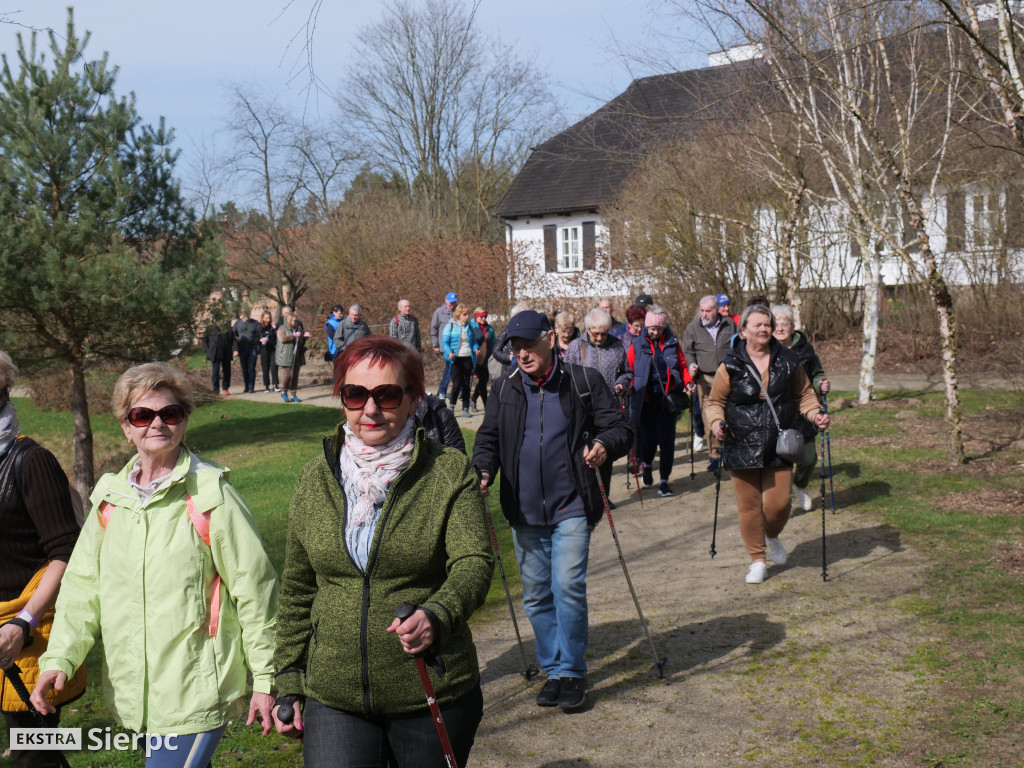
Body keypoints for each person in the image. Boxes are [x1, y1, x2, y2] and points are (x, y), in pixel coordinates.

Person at [32, 362, 279, 764]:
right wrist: (60, 658)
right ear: (126, 427)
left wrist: (267, 678)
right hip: (136, 701)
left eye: (170, 413)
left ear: (184, 421)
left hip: (196, 694)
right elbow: (81, 591)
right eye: (142, 415)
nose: (157, 423)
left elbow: (257, 591)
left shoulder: (211, 495)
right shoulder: (111, 500)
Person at [271, 336, 492, 768]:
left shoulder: (447, 471)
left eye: (387, 395)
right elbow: (298, 588)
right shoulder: (315, 479)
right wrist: (290, 679)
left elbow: (474, 563)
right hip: (334, 694)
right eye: (355, 394)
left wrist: (437, 614)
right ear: (342, 401)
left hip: (429, 689)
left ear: (412, 400)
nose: (370, 409)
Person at [471, 310, 633, 711]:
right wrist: (484, 468)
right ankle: (554, 668)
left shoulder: (583, 381)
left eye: (528, 345)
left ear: (549, 340)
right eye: (515, 347)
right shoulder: (504, 388)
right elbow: (488, 438)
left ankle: (572, 671)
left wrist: (604, 446)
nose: (522, 354)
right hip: (523, 510)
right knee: (538, 595)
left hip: (572, 504)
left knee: (568, 588)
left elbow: (620, 428)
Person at [1, 351, 85, 768]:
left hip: (26, 633)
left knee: (36, 756)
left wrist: (23, 623)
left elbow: (66, 552)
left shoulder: (30, 462)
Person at [705, 305, 830, 584]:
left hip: (780, 441)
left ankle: (771, 534)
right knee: (748, 507)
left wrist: (815, 414)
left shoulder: (789, 360)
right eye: (758, 325)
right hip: (741, 440)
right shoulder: (731, 364)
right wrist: (716, 423)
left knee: (779, 504)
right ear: (743, 330)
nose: (764, 329)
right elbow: (715, 402)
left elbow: (805, 394)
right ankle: (757, 561)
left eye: (767, 325)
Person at [625, 306, 695, 497]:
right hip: (646, 400)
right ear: (646, 327)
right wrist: (629, 384)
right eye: (652, 329)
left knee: (667, 442)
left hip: (668, 400)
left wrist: (688, 381)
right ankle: (647, 464)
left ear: (664, 328)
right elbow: (629, 369)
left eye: (659, 329)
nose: (655, 332)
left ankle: (664, 480)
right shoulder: (637, 345)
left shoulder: (672, 343)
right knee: (648, 441)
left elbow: (682, 365)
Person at [564, 308, 632, 492]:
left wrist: (621, 384)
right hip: (582, 410)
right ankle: (585, 497)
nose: (601, 337)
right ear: (588, 329)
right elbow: (566, 375)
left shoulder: (617, 346)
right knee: (583, 456)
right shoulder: (576, 346)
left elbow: (626, 372)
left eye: (604, 333)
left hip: (608, 409)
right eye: (596, 334)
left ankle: (604, 497)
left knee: (605, 454)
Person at [772, 305, 831, 512]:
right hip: (778, 412)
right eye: (776, 324)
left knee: (808, 458)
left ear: (793, 327)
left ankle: (800, 485)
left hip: (805, 409)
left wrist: (821, 383)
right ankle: (783, 501)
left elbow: (817, 373)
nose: (780, 328)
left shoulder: (805, 350)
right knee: (782, 460)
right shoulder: (766, 349)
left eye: (784, 324)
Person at [682, 295, 738, 472]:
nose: (704, 314)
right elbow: (688, 351)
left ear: (717, 310)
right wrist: (691, 364)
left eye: (708, 311)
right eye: (702, 310)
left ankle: (730, 452)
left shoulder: (729, 325)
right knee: (710, 418)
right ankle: (714, 455)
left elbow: (738, 346)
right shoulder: (693, 327)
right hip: (705, 379)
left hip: (727, 376)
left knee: (730, 414)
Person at [441, 304, 475, 419]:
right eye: (464, 314)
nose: (467, 316)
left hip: (467, 357)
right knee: (457, 383)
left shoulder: (470, 326)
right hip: (455, 359)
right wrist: (449, 352)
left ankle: (466, 408)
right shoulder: (450, 325)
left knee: (466, 384)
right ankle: (451, 406)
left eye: (467, 314)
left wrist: (476, 348)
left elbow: (474, 341)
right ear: (458, 315)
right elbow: (444, 342)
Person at [430, 291, 458, 403]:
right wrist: (435, 344)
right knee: (449, 368)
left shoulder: (458, 311)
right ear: (446, 301)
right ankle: (442, 391)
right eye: (451, 302)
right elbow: (434, 328)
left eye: (454, 302)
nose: (452, 305)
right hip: (445, 346)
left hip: (457, 347)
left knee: (454, 369)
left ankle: (454, 390)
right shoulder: (439, 312)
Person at [277, 312, 310, 403]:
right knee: (289, 374)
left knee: (295, 375)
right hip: (286, 356)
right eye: (294, 320)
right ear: (289, 320)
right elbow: (282, 339)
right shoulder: (282, 328)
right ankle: (284, 391)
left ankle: (293, 394)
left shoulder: (298, 329)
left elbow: (299, 343)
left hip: (297, 355)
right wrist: (293, 335)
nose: (296, 322)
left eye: (296, 320)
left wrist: (304, 337)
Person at [469, 308, 495, 412]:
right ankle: (487, 406)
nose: (484, 318)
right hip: (477, 358)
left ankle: (473, 399)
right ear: (476, 316)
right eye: (481, 316)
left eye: (485, 317)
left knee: (483, 380)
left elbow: (494, 342)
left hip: (487, 358)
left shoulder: (489, 328)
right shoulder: (471, 327)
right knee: (483, 382)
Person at [234, 308, 261, 394]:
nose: (247, 317)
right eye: (245, 316)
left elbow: (259, 335)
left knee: (251, 368)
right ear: (241, 315)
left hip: (252, 347)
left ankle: (251, 386)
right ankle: (246, 385)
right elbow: (233, 334)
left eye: (248, 315)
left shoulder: (255, 323)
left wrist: (255, 342)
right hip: (242, 348)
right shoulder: (237, 323)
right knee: (244, 368)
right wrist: (236, 340)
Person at [202, 322, 234, 395]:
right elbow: (204, 340)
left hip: (226, 353)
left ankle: (225, 388)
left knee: (227, 372)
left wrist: (236, 349)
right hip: (215, 354)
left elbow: (233, 339)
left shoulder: (228, 328)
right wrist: (207, 350)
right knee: (215, 372)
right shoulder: (210, 329)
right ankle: (216, 389)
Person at [258, 310, 280, 393]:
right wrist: (260, 339)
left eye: (269, 318)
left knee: (274, 366)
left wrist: (275, 328)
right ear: (263, 318)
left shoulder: (273, 326)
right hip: (264, 349)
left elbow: (277, 335)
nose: (268, 319)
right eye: (266, 318)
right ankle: (266, 386)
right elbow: (256, 338)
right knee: (265, 367)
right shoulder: (259, 327)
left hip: (273, 348)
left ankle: (275, 385)